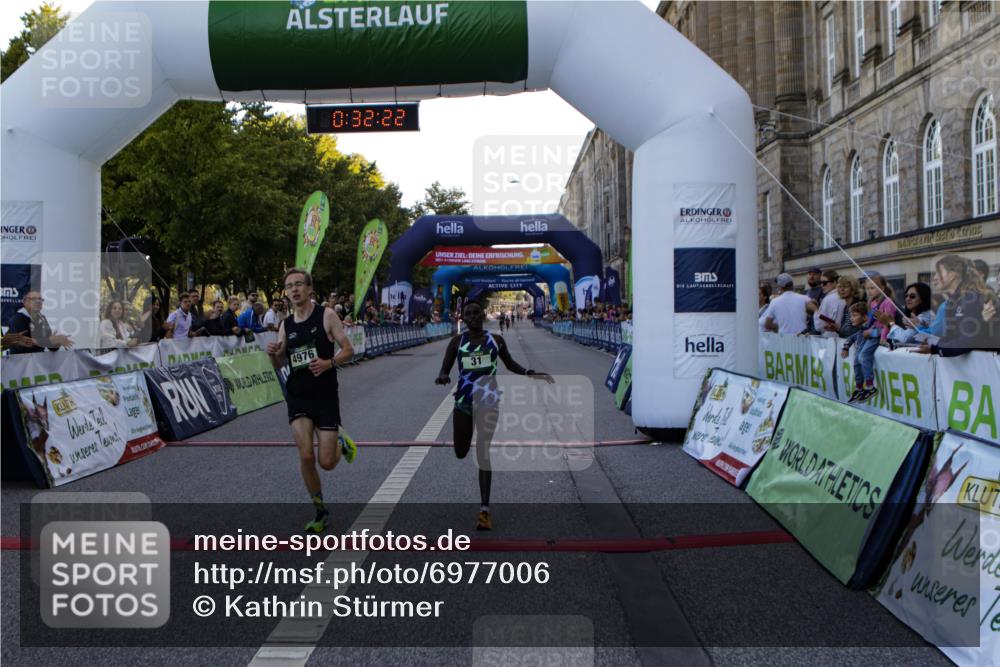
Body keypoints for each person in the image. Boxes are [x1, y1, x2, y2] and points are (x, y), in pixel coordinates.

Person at [434, 301, 554, 531]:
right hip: (463, 402)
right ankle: (483, 504)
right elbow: (444, 369)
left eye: (476, 312)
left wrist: (530, 372)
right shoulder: (457, 342)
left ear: (482, 314)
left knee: (483, 452)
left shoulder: (495, 341)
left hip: (488, 401)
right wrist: (443, 377)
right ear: (464, 318)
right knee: (460, 452)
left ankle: (484, 510)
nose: (473, 317)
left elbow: (510, 364)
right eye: (468, 314)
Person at [266, 268, 357, 533]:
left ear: (309, 290)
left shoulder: (326, 315)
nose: (293, 290)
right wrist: (273, 353)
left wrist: (329, 362)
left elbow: (348, 350)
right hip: (298, 396)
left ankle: (340, 440)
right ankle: (320, 510)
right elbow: (279, 363)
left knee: (326, 462)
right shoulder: (286, 324)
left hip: (325, 396)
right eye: (289, 286)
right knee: (306, 455)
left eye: (298, 285)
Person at [919, 255, 995, 356]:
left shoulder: (970, 298)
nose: (935, 278)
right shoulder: (954, 300)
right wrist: (932, 343)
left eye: (938, 272)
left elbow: (966, 342)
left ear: (952, 275)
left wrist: (935, 349)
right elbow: (953, 337)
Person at [6, 291, 74, 354]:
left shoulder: (42, 318)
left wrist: (57, 341)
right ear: (24, 302)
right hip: (20, 364)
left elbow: (51, 348)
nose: (38, 301)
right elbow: (22, 347)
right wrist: (48, 341)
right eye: (34, 299)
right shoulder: (17, 319)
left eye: (40, 299)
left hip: (37, 363)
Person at [841, 302, 880, 403]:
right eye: (851, 316)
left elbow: (880, 332)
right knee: (856, 362)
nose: (851, 318)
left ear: (865, 317)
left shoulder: (872, 328)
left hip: (866, 354)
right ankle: (859, 388)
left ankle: (870, 386)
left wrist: (871, 333)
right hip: (859, 356)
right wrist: (846, 347)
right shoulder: (860, 331)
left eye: (854, 315)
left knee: (862, 356)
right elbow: (851, 338)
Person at [809, 270, 844, 337]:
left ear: (834, 282)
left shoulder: (828, 299)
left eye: (824, 283)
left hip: (831, 338)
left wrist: (815, 310)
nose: (822, 285)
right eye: (820, 283)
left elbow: (819, 325)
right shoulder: (843, 296)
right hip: (841, 337)